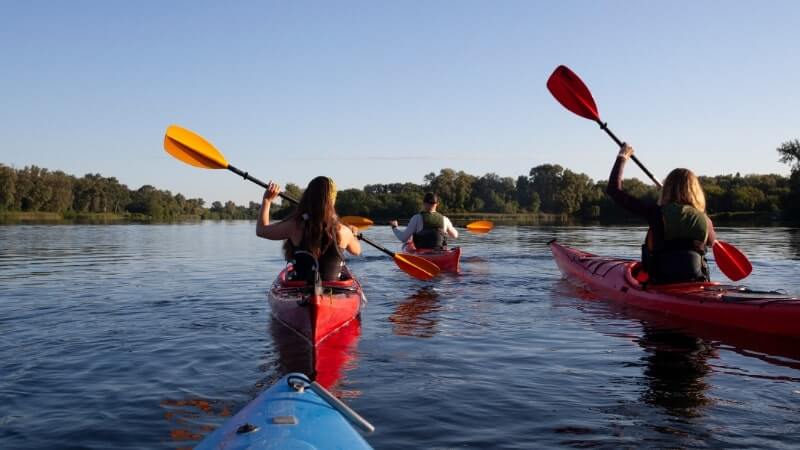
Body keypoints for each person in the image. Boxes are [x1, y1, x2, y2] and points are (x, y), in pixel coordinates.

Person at [606, 144, 716, 284]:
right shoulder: (706, 221)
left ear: (667, 189)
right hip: (697, 283)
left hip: (661, 284)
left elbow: (614, 190)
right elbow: (712, 244)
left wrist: (622, 156)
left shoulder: (655, 213)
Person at [256, 176, 361, 282]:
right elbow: (357, 251)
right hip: (334, 291)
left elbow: (261, 230)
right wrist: (353, 234)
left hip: (301, 290)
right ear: (333, 201)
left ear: (308, 196)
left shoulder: (294, 226)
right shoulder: (344, 231)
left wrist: (267, 200)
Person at [389, 192, 458, 250]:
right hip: (440, 253)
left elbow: (403, 238)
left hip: (422, 255)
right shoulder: (444, 219)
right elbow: (455, 235)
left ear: (424, 203)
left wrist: (394, 227)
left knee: (408, 241)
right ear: (437, 204)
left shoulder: (417, 218)